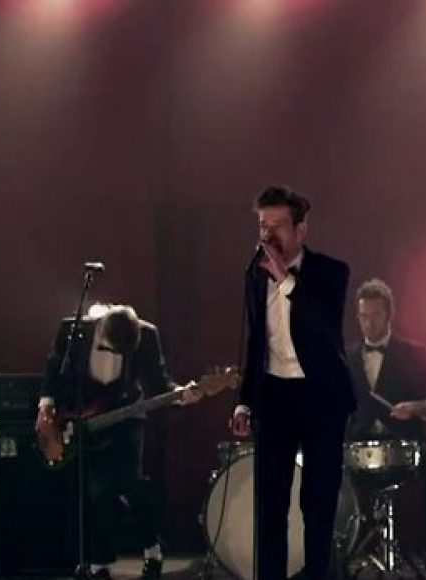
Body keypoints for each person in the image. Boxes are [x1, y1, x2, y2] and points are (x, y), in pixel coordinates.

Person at [230, 185, 355, 580]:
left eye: (278, 226)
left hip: (321, 396)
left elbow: (324, 327)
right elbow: (256, 342)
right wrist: (244, 401)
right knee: (270, 502)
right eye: (262, 226)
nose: (268, 235)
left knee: (317, 502)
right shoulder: (254, 277)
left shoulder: (331, 271)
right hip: (274, 395)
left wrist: (285, 280)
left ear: (301, 229)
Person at [35, 304, 201, 580]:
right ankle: (99, 563)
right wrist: (46, 408)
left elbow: (159, 383)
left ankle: (152, 549)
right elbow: (53, 369)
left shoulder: (147, 335)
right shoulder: (72, 330)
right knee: (97, 494)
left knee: (130, 485)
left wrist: (182, 395)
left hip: (126, 417)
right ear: (100, 329)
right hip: (82, 418)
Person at [345, 278, 426, 580]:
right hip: (358, 443)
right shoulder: (347, 355)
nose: (369, 323)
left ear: (389, 315)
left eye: (376, 315)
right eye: (363, 316)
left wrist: (416, 407)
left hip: (404, 443)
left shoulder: (413, 353)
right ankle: (335, 555)